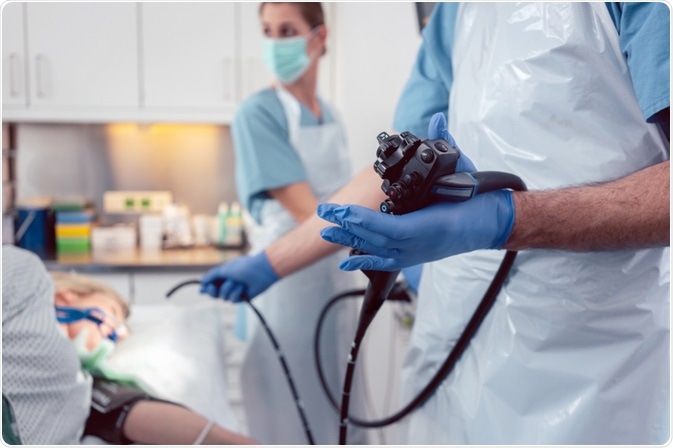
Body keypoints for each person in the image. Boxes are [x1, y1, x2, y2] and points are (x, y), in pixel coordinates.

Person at [197, 2, 670, 445]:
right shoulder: (455, 13)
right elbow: (394, 173)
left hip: (589, 357)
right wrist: (271, 263)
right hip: (454, 333)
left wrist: (510, 218)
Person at [200, 2, 369, 445]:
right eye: (268, 31)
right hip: (285, 286)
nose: (275, 43)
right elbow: (311, 215)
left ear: (319, 36)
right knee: (289, 421)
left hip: (333, 286)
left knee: (336, 414)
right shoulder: (258, 113)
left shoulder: (330, 114)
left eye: (287, 30)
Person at [2, 245, 256, 445]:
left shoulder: (83, 389)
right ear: (68, 295)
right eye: (112, 312)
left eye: (120, 331)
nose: (119, 332)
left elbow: (135, 413)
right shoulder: (27, 280)